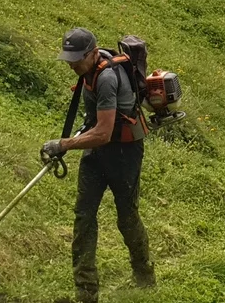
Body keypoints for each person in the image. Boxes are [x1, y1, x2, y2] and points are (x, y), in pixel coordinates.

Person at [42, 28, 155, 302]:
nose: (71, 64)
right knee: (84, 216)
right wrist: (71, 141)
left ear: (93, 53)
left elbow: (104, 132)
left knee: (126, 217)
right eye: (68, 58)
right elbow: (94, 122)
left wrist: (63, 144)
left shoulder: (105, 78)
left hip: (123, 154)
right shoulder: (87, 72)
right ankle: (86, 292)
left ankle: (144, 277)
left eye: (76, 59)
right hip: (96, 152)